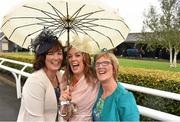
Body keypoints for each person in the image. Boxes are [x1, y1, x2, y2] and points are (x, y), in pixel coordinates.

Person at [17, 29, 65, 122]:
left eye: (59, 53)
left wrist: (66, 103)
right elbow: (36, 119)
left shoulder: (61, 76)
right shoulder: (35, 82)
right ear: (42, 57)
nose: (56, 58)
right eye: (50, 53)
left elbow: (63, 114)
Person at [92, 51, 140, 121]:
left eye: (105, 63)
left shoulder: (125, 97)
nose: (100, 66)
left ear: (114, 69)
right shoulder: (98, 91)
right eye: (97, 64)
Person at [60, 43, 99, 121]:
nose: (73, 59)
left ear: (85, 58)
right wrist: (64, 103)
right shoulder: (65, 79)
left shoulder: (95, 80)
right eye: (70, 56)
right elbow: (65, 116)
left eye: (77, 55)